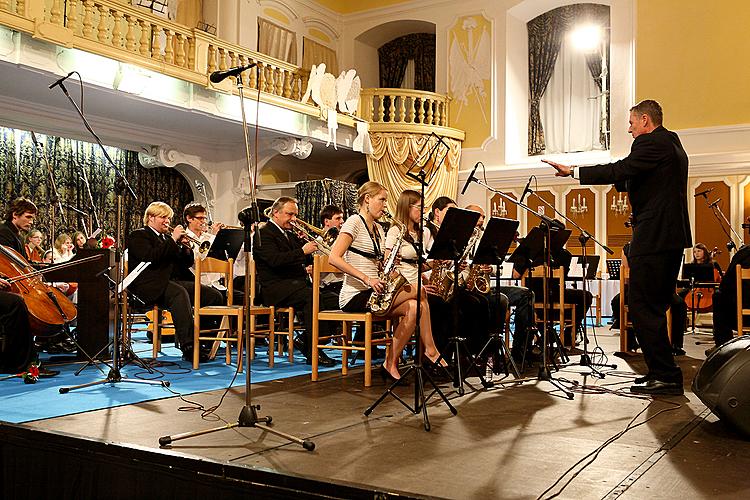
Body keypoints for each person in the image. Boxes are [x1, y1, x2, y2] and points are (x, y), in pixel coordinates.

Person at [545, 99, 691, 395]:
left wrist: (573, 171)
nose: (629, 129)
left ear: (646, 121)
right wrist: (622, 178)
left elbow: (622, 169)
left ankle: (664, 374)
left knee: (640, 305)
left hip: (654, 236)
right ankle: (664, 373)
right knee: (655, 304)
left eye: (632, 123)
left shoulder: (650, 143)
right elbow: (633, 176)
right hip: (671, 237)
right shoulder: (672, 143)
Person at [328, 182, 446, 382]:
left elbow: (377, 264)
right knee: (420, 292)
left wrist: (389, 265)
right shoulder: (353, 222)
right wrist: (367, 278)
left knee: (415, 307)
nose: (385, 205)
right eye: (381, 200)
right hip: (355, 295)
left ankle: (390, 362)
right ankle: (431, 351)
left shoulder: (379, 230)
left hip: (375, 291)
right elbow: (334, 258)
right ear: (367, 199)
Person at [126, 201, 223, 363]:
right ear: (150, 218)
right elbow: (151, 257)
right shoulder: (139, 235)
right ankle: (189, 347)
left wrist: (185, 248)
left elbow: (183, 264)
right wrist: (172, 240)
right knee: (179, 293)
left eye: (169, 218)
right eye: (163, 217)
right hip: (148, 285)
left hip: (169, 282)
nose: (167, 222)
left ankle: (206, 341)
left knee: (213, 296)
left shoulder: (166, 238)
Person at [253, 197, 339, 367]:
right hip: (275, 288)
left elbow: (304, 257)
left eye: (295, 215)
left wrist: (306, 245)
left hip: (295, 285)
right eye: (289, 214)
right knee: (310, 296)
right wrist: (302, 250)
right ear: (275, 213)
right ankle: (313, 350)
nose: (293, 219)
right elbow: (274, 260)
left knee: (336, 298)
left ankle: (306, 340)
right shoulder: (263, 233)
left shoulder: (289, 234)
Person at [709, 220, 750, 352]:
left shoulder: (743, 255)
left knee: (719, 296)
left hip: (744, 315)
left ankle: (723, 346)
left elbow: (725, 286)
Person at [317, 205, 345, 295]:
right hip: (332, 286)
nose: (342, 221)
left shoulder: (340, 239)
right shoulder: (319, 242)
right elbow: (337, 264)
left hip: (342, 283)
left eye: (342, 218)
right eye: (338, 218)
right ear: (326, 221)